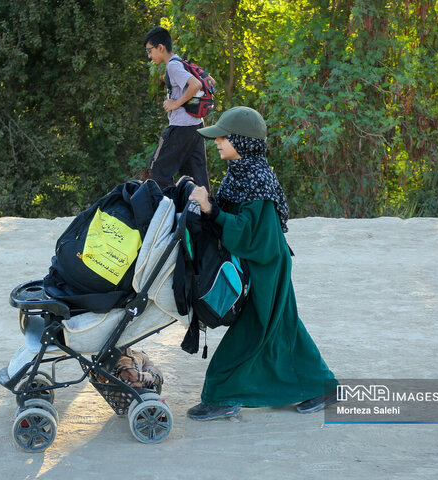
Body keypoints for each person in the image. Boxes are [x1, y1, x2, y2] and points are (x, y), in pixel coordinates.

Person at [185, 106, 339, 421]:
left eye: (223, 137)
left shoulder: (257, 178)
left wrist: (210, 210)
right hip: (260, 265)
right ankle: (322, 387)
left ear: (242, 142)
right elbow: (236, 223)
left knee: (257, 331)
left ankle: (223, 395)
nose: (217, 142)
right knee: (284, 328)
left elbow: (251, 235)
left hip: (267, 269)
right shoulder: (240, 171)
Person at [143, 26, 210, 191]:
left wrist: (176, 103)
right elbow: (209, 81)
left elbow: (196, 84)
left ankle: (169, 208)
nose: (149, 56)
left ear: (161, 47)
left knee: (157, 170)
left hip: (181, 127)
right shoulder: (181, 62)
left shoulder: (172, 66)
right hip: (196, 126)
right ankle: (204, 212)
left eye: (150, 51)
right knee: (196, 178)